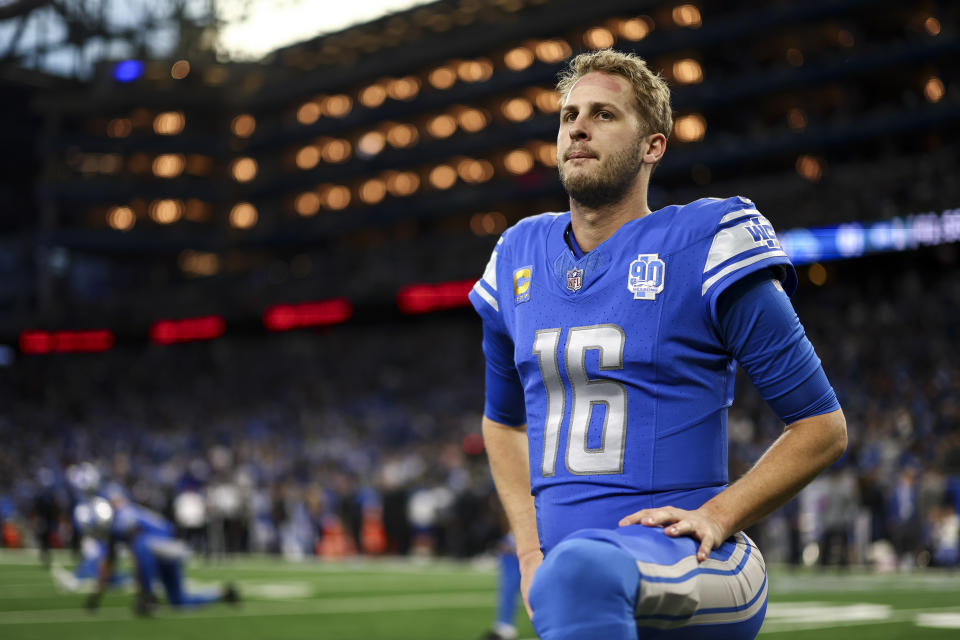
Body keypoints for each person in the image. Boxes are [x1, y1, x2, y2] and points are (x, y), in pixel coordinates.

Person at [468, 49, 847, 640]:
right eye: (568, 116)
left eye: (603, 115)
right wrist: (528, 552)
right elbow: (503, 424)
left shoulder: (701, 241)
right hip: (577, 571)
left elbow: (821, 427)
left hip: (697, 561)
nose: (578, 128)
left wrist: (717, 516)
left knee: (581, 573)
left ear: (653, 146)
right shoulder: (518, 253)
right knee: (576, 573)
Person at [83, 492, 239, 616]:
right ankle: (222, 594)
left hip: (165, 545)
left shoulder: (122, 521)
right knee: (179, 602)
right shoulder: (123, 513)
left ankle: (148, 597)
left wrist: (142, 591)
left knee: (140, 545)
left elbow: (131, 557)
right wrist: (96, 596)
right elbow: (110, 563)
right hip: (167, 548)